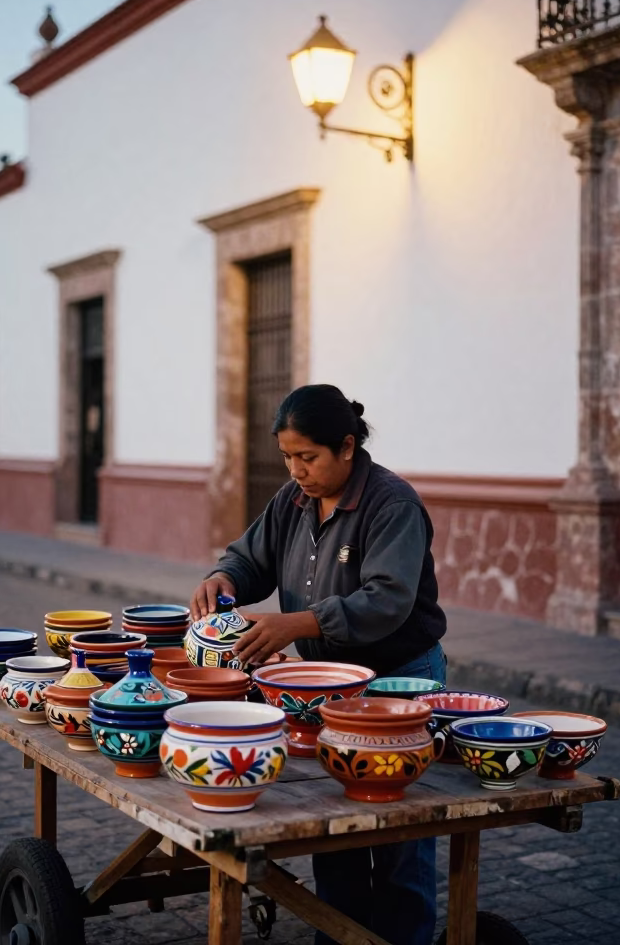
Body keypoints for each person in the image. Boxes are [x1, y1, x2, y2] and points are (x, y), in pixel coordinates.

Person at [189, 384, 447, 945]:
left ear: (347, 447)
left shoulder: (392, 504)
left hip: (398, 682)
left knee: (401, 834)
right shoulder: (293, 501)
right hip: (327, 690)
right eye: (288, 457)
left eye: (307, 457)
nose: (296, 470)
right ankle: (341, 937)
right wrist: (222, 578)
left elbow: (387, 600)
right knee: (336, 829)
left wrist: (298, 623)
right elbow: (247, 559)